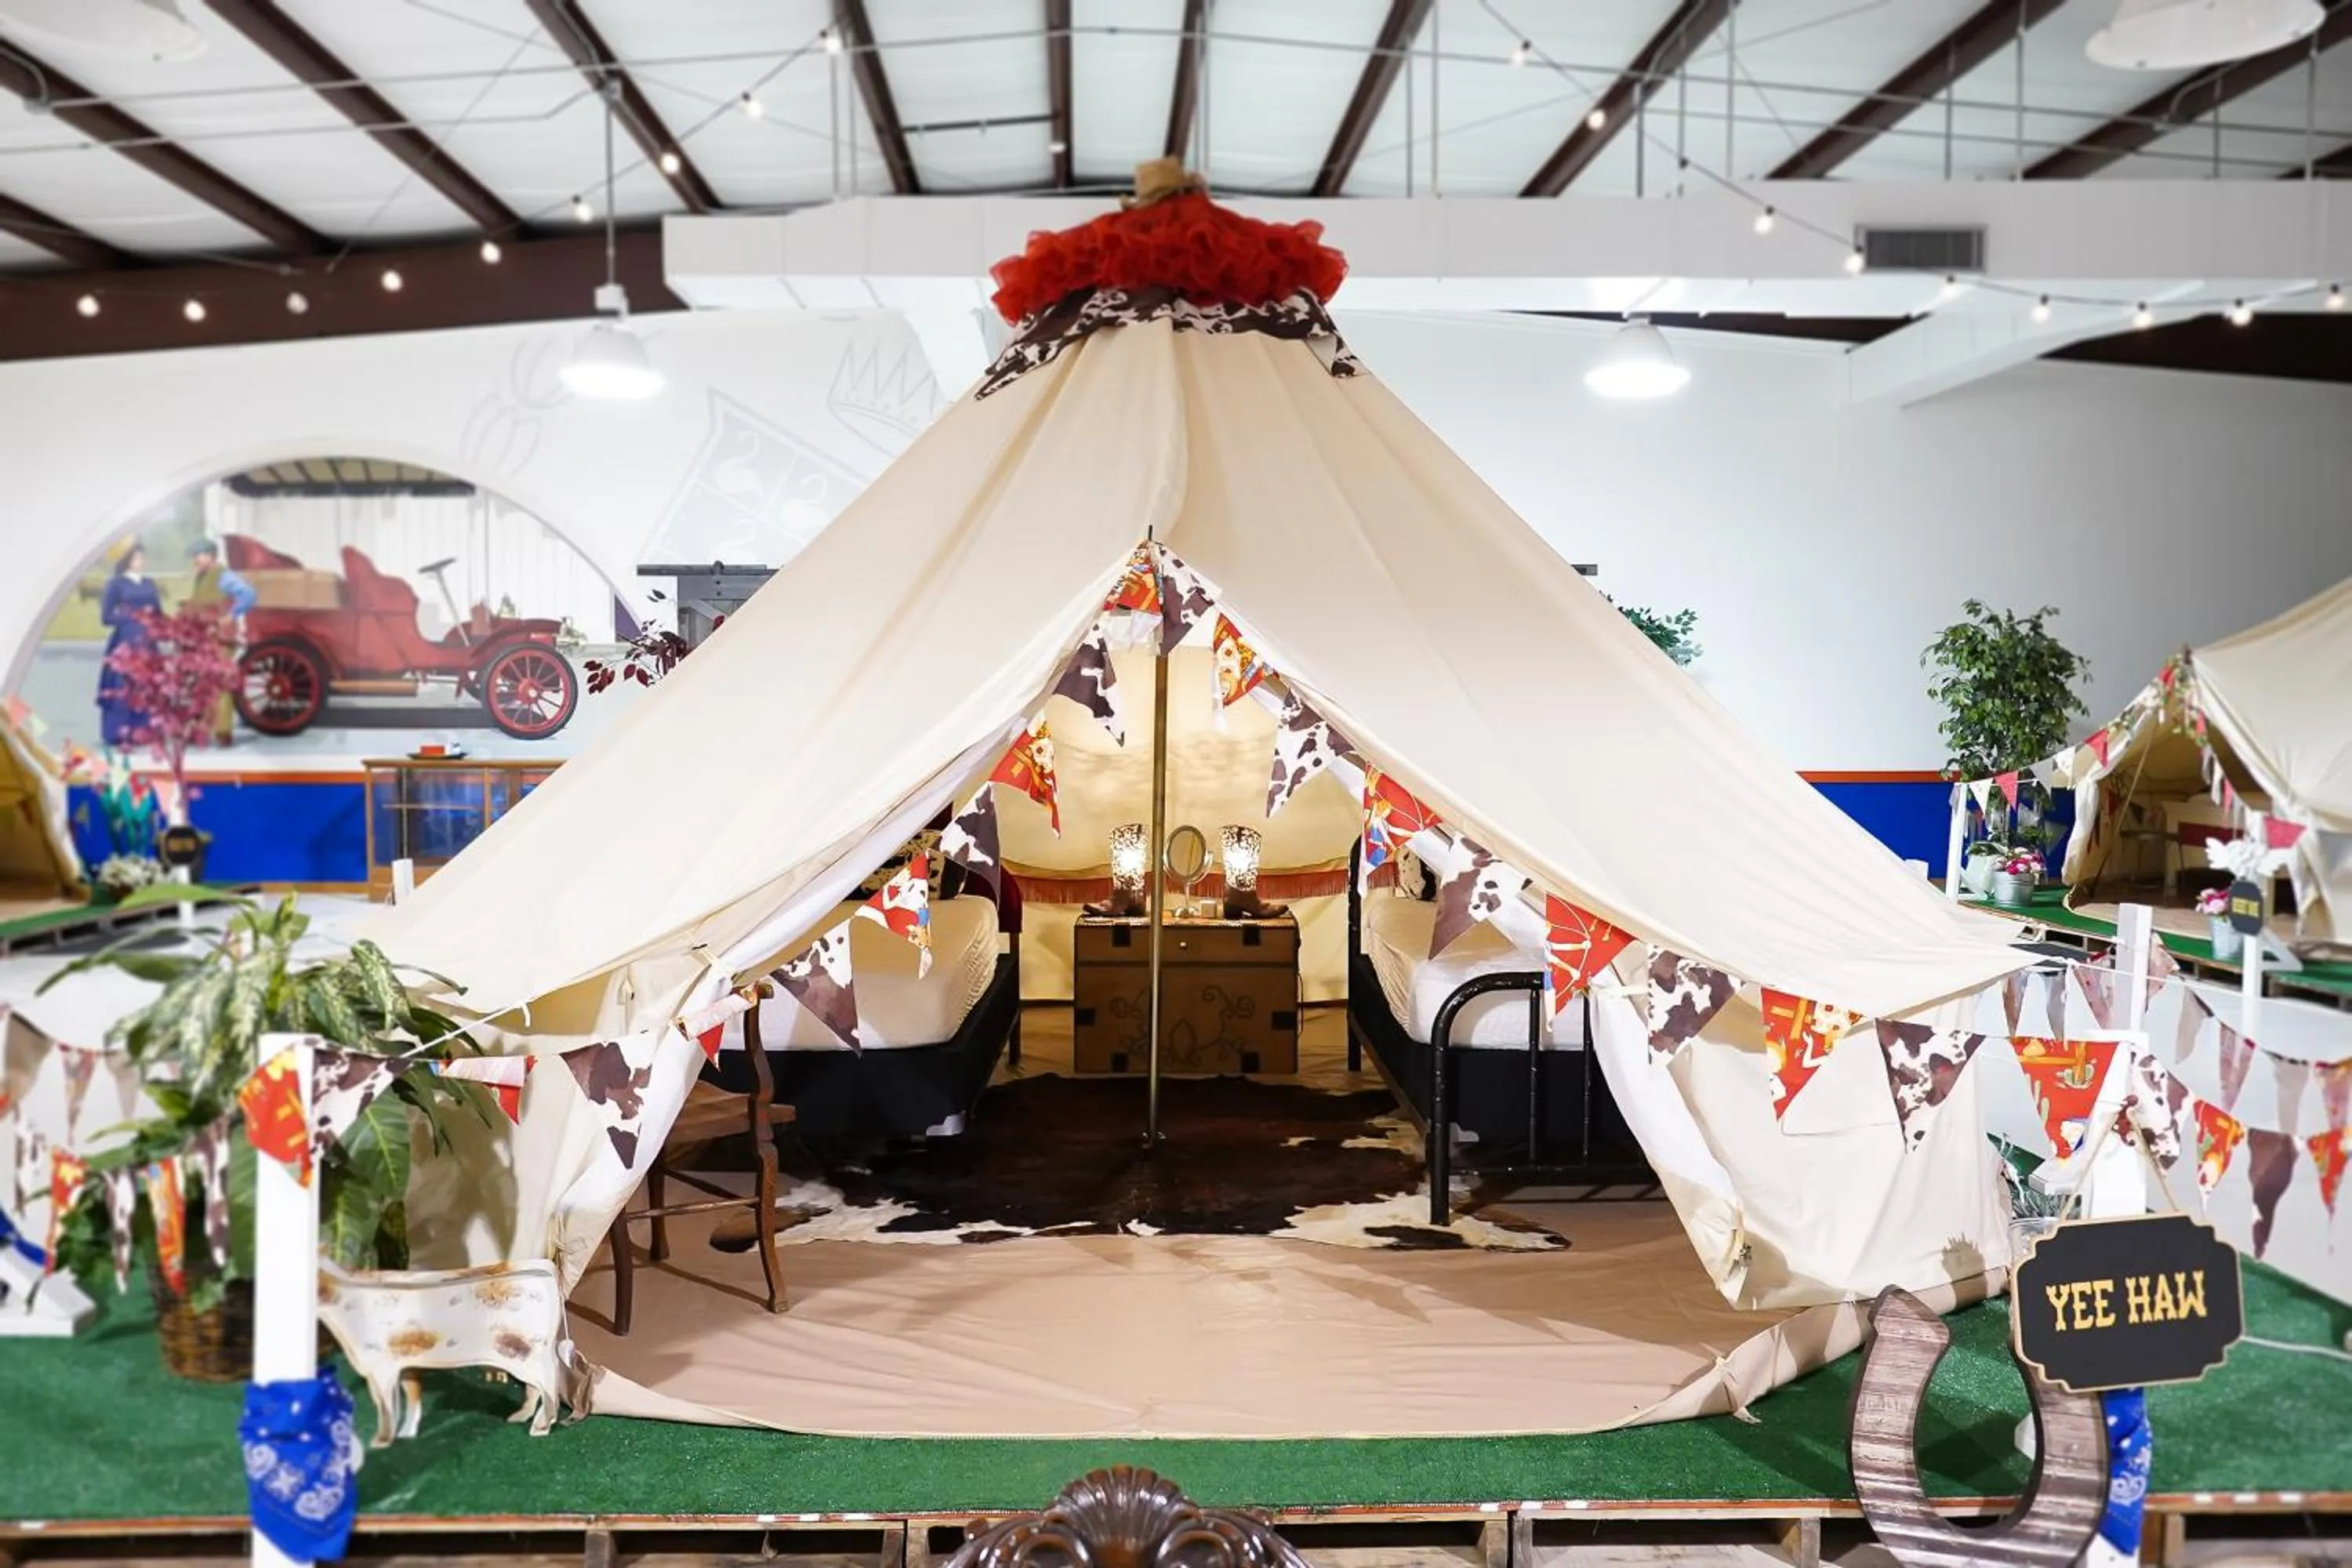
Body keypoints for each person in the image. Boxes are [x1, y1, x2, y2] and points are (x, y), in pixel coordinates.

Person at [185, 540, 256, 746]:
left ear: (210, 556)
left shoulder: (224, 576)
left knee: (220, 683)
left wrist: (231, 615)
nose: (195, 561)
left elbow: (248, 595)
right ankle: (201, 730)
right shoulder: (201, 577)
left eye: (198, 556)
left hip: (220, 638)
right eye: (194, 557)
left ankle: (223, 732)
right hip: (202, 635)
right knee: (200, 682)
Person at [96, 543, 163, 746]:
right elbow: (106, 617)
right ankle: (119, 732)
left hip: (147, 641)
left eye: (142, 558)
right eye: (136, 558)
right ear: (127, 561)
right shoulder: (116, 584)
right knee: (123, 685)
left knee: (146, 685)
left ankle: (144, 730)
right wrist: (130, 618)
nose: (140, 562)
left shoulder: (150, 583)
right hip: (125, 641)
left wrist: (157, 624)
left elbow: (159, 612)